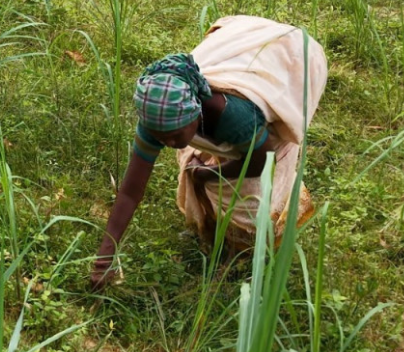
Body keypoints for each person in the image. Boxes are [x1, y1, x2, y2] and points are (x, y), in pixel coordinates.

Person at [90, 15, 328, 291]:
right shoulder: (157, 123)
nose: (169, 142)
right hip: (231, 91)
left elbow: (264, 163)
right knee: (196, 163)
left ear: (195, 112)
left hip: (288, 59)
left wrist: (210, 174)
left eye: (177, 133)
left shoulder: (232, 116)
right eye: (161, 136)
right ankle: (214, 229)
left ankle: (241, 256)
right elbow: (131, 191)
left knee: (251, 206)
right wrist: (104, 256)